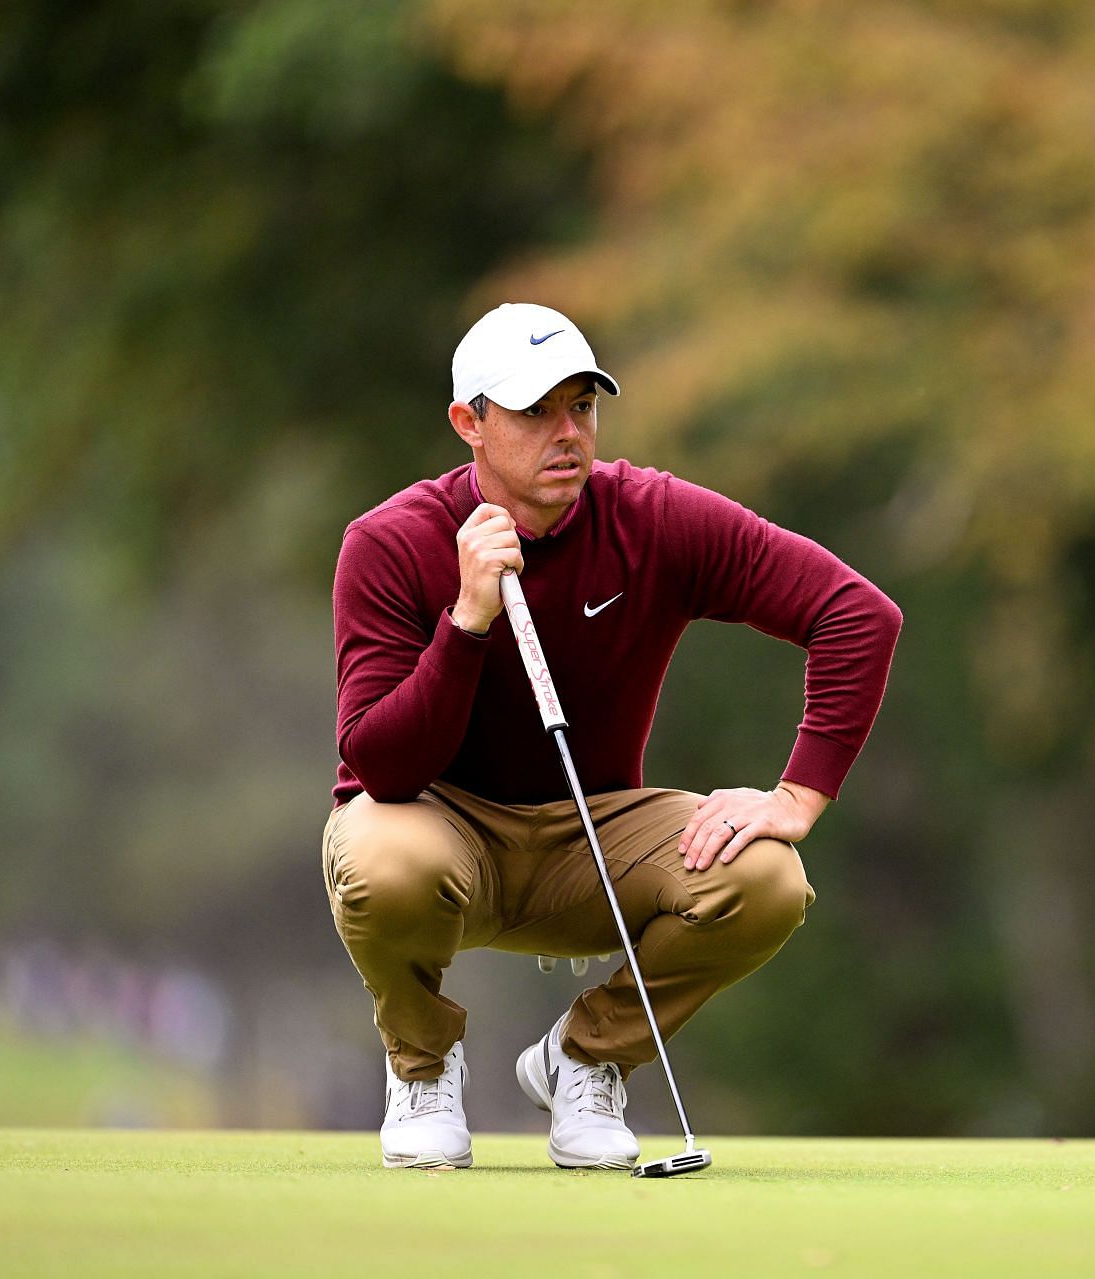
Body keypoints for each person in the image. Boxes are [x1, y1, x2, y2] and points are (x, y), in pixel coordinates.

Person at [321, 302, 902, 1170]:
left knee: (769, 877)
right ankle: (422, 1066)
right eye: (535, 412)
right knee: (380, 856)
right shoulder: (391, 543)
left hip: (592, 836)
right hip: (436, 827)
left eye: (583, 406)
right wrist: (467, 622)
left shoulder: (653, 518)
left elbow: (856, 612)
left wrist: (797, 795)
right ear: (468, 422)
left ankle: (586, 1059)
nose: (568, 433)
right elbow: (381, 762)